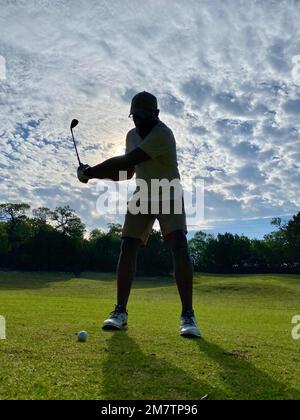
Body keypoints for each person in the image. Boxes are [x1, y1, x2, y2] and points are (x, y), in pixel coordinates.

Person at [77, 91, 201, 338]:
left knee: (178, 244)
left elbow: (129, 160)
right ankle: (120, 312)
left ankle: (188, 315)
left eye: (145, 117)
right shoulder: (131, 135)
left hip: (168, 192)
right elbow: (126, 173)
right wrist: (93, 175)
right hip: (142, 193)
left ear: (156, 114)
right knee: (128, 245)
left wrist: (91, 171)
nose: (139, 122)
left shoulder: (163, 134)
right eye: (136, 117)